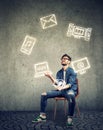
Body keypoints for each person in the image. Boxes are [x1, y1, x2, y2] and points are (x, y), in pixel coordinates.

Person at [32, 54, 78, 126]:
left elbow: (70, 84)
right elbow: (57, 82)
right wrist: (50, 76)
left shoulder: (72, 71)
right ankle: (42, 116)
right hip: (61, 91)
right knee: (44, 94)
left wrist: (61, 87)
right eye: (62, 58)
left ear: (69, 62)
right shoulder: (59, 72)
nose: (63, 59)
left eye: (65, 58)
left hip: (70, 91)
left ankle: (70, 119)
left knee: (71, 95)